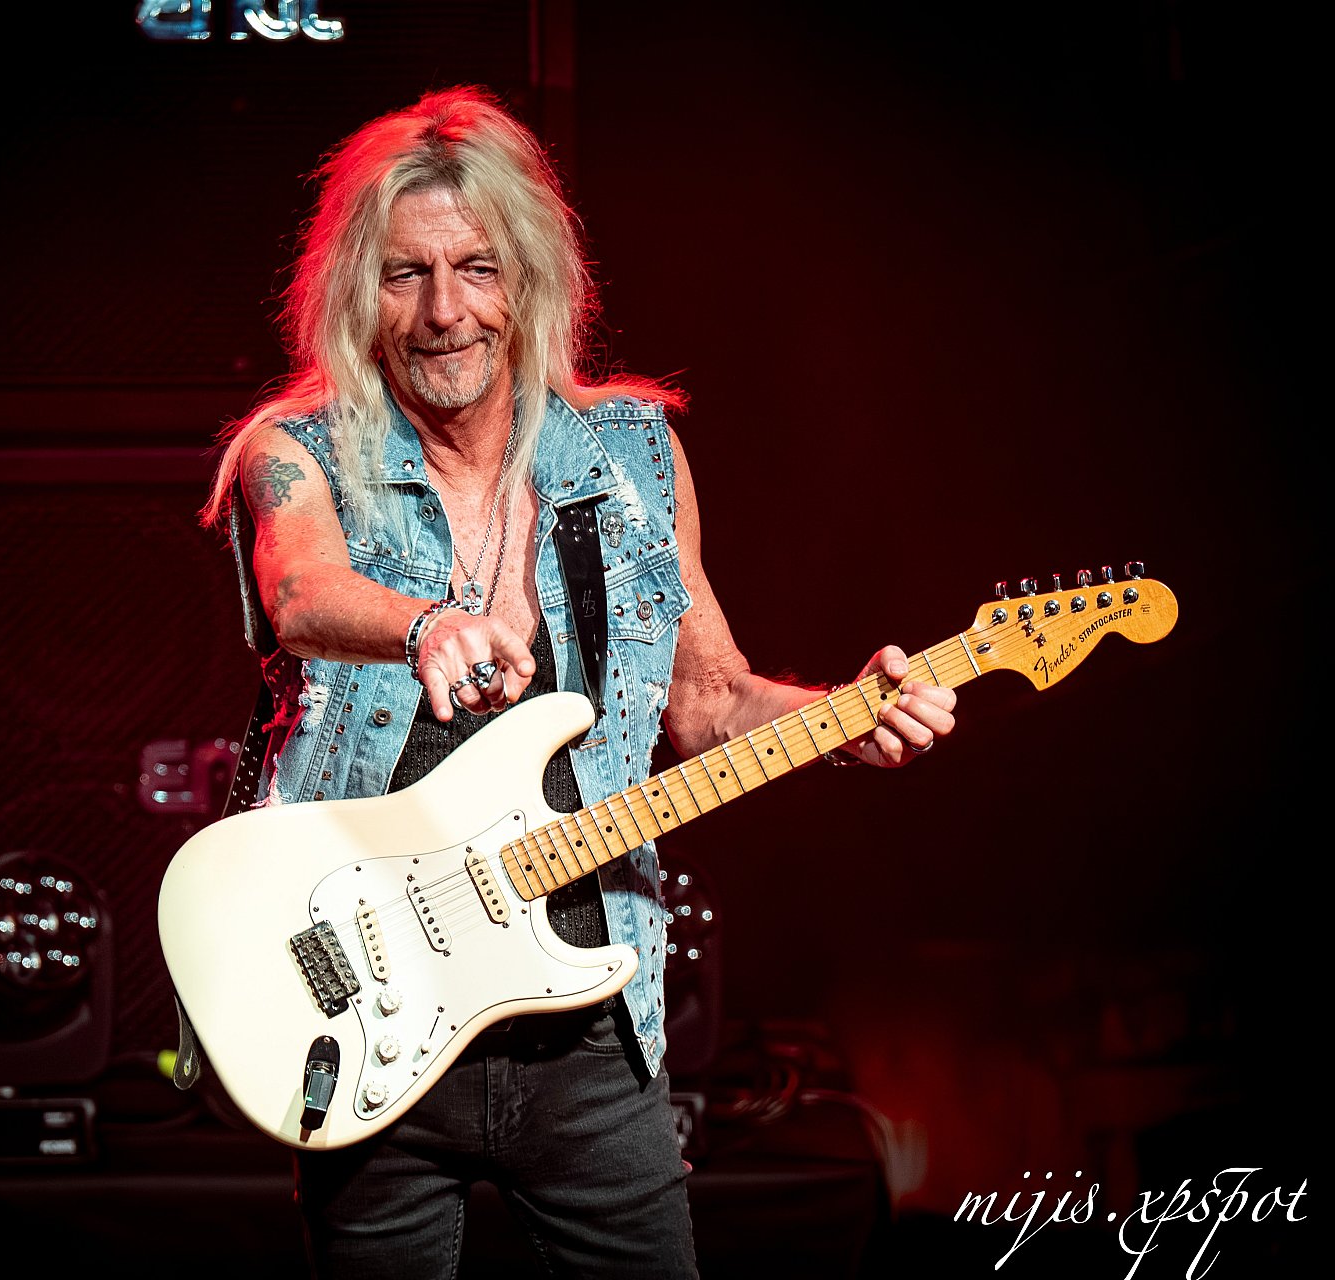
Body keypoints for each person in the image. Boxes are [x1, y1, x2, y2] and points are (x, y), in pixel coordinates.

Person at [198, 84, 957, 1279]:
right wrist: (424, 624)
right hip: (372, 1023)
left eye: (477, 269)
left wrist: (847, 717)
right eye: (404, 275)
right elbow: (299, 592)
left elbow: (708, 703)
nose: (444, 311)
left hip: (589, 1033)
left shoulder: (634, 456)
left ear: (531, 281)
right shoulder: (299, 451)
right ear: (355, 293)